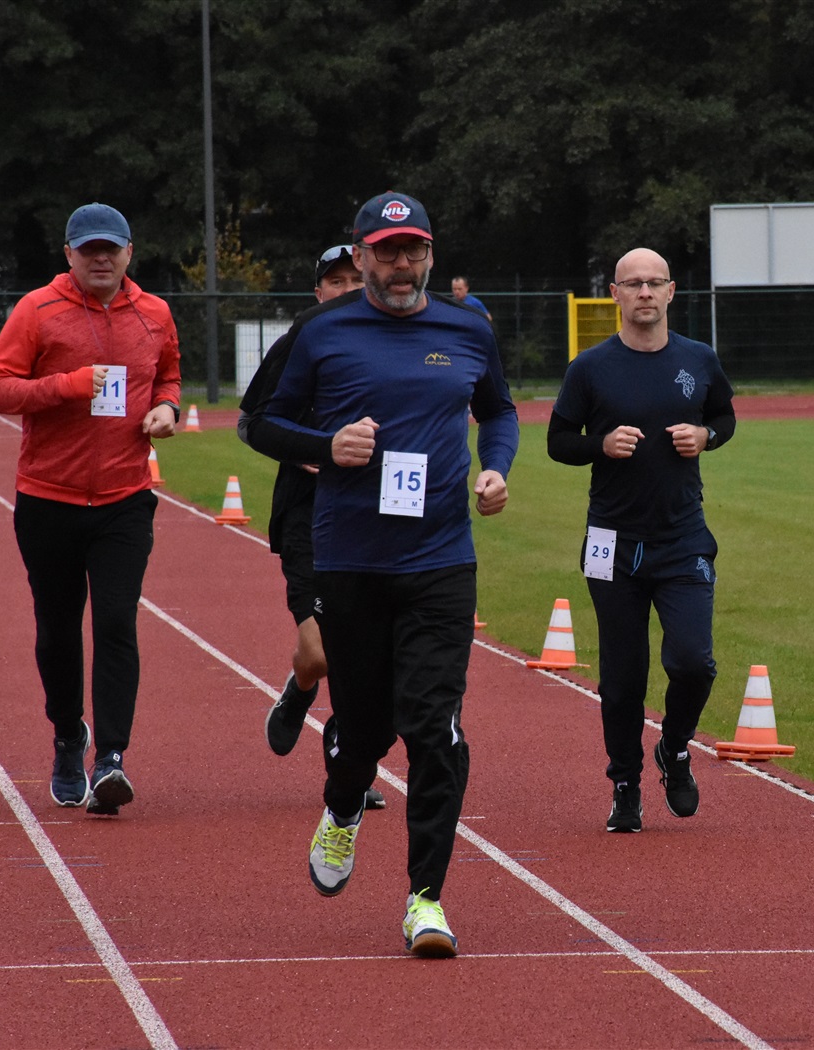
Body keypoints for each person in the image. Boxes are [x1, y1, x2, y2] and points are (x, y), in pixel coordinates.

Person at [246, 191, 518, 957]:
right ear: (362, 255)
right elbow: (260, 422)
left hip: (441, 561)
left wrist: (495, 468)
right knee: (363, 728)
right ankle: (342, 808)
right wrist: (326, 446)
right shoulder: (323, 332)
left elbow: (498, 411)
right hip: (350, 559)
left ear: (430, 254)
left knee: (435, 727)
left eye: (414, 250)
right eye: (388, 251)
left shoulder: (467, 328)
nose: (402, 264)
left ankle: (425, 898)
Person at [0, 202, 181, 816]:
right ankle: (69, 735)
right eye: (88, 249)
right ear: (68, 254)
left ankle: (111, 759)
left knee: (117, 622)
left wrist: (167, 409)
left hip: (125, 499)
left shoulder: (155, 313)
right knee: (58, 631)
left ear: (129, 253)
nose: (101, 259)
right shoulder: (37, 310)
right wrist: (67, 385)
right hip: (49, 499)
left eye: (110, 249)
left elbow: (169, 375)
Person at [546, 247, 736, 833]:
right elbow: (558, 441)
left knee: (694, 662)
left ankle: (674, 748)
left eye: (655, 283)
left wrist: (706, 436)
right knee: (623, 676)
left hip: (682, 538)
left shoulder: (699, 358)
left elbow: (725, 419)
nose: (645, 293)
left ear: (672, 291)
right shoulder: (590, 368)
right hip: (612, 540)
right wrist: (600, 445)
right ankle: (625, 784)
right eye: (634, 284)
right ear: (615, 294)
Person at [236, 244, 385, 811]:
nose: (347, 291)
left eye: (356, 280)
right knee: (320, 654)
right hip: (306, 511)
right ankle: (300, 690)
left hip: (372, 514)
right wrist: (312, 450)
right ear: (318, 292)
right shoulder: (302, 337)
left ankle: (350, 768)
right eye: (336, 282)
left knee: (362, 647)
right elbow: (251, 422)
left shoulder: (392, 339)